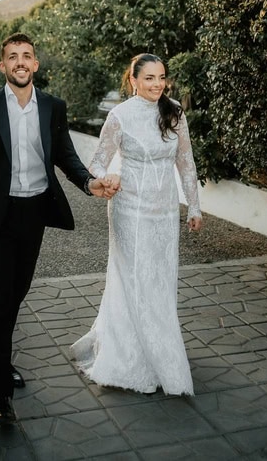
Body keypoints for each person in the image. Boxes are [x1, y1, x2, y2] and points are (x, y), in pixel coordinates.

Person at [0, 32, 117, 426]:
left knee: (15, 296)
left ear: (35, 64)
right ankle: (1, 395)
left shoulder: (53, 107)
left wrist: (90, 183)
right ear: (2, 65)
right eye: (12, 56)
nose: (20, 62)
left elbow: (66, 156)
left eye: (26, 56)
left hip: (33, 214)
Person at [72, 52, 202, 395]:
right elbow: (97, 162)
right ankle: (131, 357)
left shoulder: (175, 112)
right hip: (128, 211)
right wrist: (108, 177)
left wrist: (194, 206)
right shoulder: (120, 116)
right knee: (134, 280)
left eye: (161, 77)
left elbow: (186, 163)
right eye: (149, 78)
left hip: (164, 212)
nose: (158, 84)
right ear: (133, 80)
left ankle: (159, 349)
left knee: (160, 280)